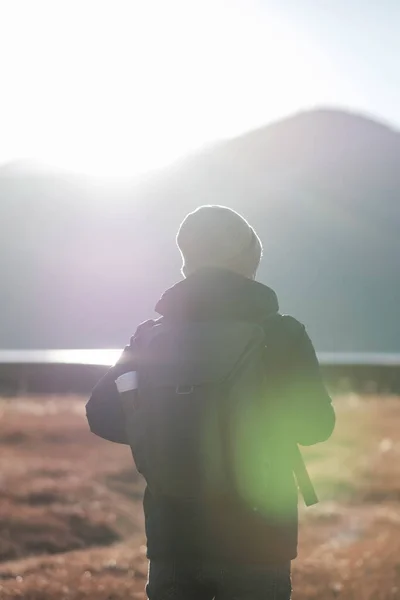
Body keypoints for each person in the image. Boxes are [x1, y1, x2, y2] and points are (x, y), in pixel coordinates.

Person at [86, 205, 335, 600]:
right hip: (259, 541)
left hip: (174, 538)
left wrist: (165, 427)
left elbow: (100, 414)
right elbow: (317, 426)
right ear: (250, 259)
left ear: (187, 262)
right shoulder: (282, 334)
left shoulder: (151, 337)